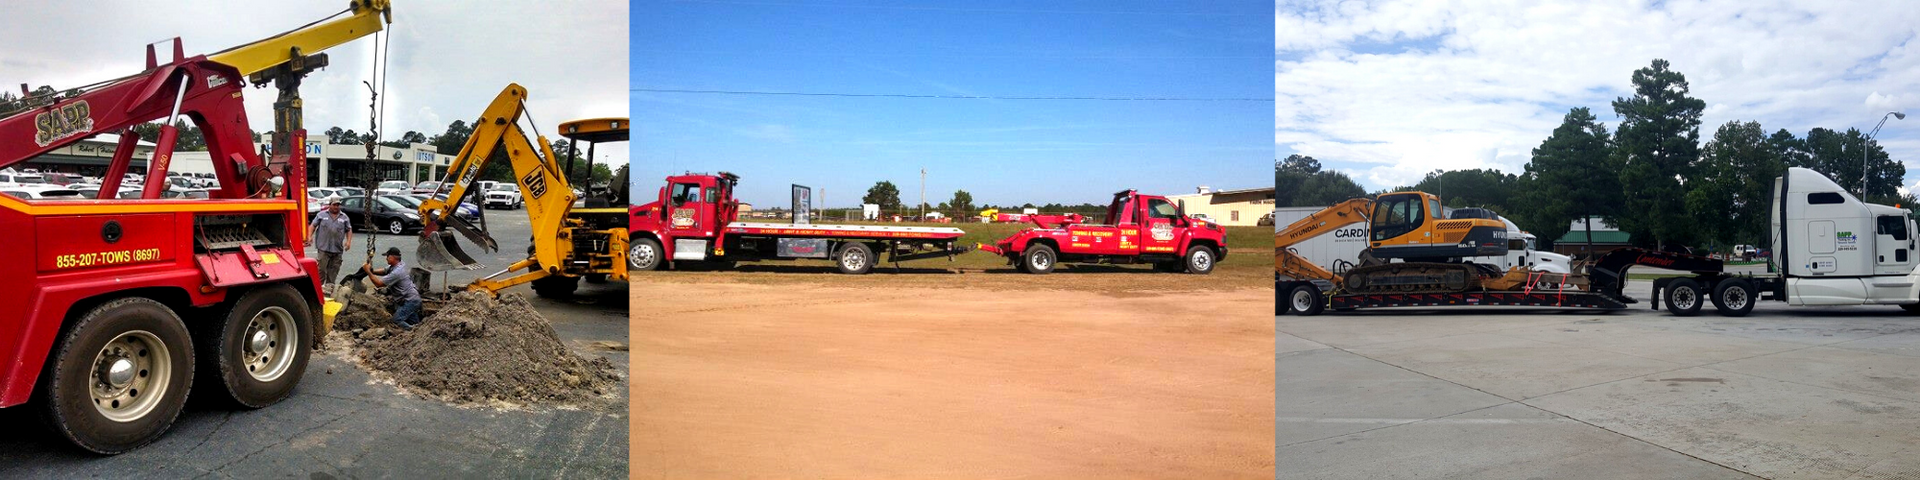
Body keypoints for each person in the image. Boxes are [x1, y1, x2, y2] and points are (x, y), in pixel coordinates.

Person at [362, 247, 422, 329]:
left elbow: (378, 284)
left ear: (393, 257)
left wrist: (368, 272)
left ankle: (413, 332)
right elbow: (384, 271)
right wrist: (372, 271)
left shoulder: (397, 272)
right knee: (414, 322)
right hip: (411, 298)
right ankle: (418, 330)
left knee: (397, 320)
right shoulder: (398, 265)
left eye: (387, 257)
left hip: (410, 300)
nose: (386, 259)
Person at [307, 197, 352, 288]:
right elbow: (312, 226)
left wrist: (348, 242)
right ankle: (318, 290)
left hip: (337, 250)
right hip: (323, 248)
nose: (336, 207)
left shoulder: (344, 217)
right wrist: (309, 236)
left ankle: (329, 290)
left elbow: (349, 229)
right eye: (334, 205)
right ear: (329, 205)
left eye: (338, 205)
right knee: (321, 270)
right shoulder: (321, 215)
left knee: (333, 272)